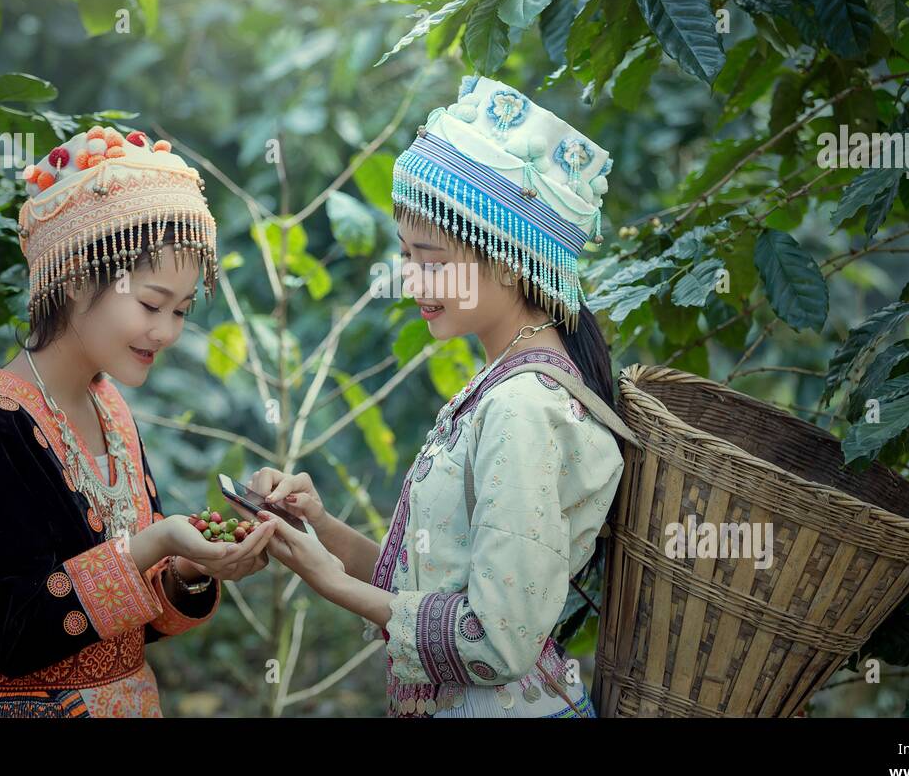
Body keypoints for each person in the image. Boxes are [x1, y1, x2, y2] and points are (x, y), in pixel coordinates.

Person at [242, 76, 625, 717]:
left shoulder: (524, 408)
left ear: (508, 258)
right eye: (405, 256)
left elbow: (495, 640)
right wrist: (321, 530)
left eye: (430, 257)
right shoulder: (504, 386)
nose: (410, 280)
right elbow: (431, 586)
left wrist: (330, 582)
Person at [0, 124, 275, 717]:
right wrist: (155, 541)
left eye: (182, 311)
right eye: (149, 304)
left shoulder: (109, 405)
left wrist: (188, 568)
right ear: (77, 277)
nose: (166, 331)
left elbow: (131, 627)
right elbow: (11, 633)